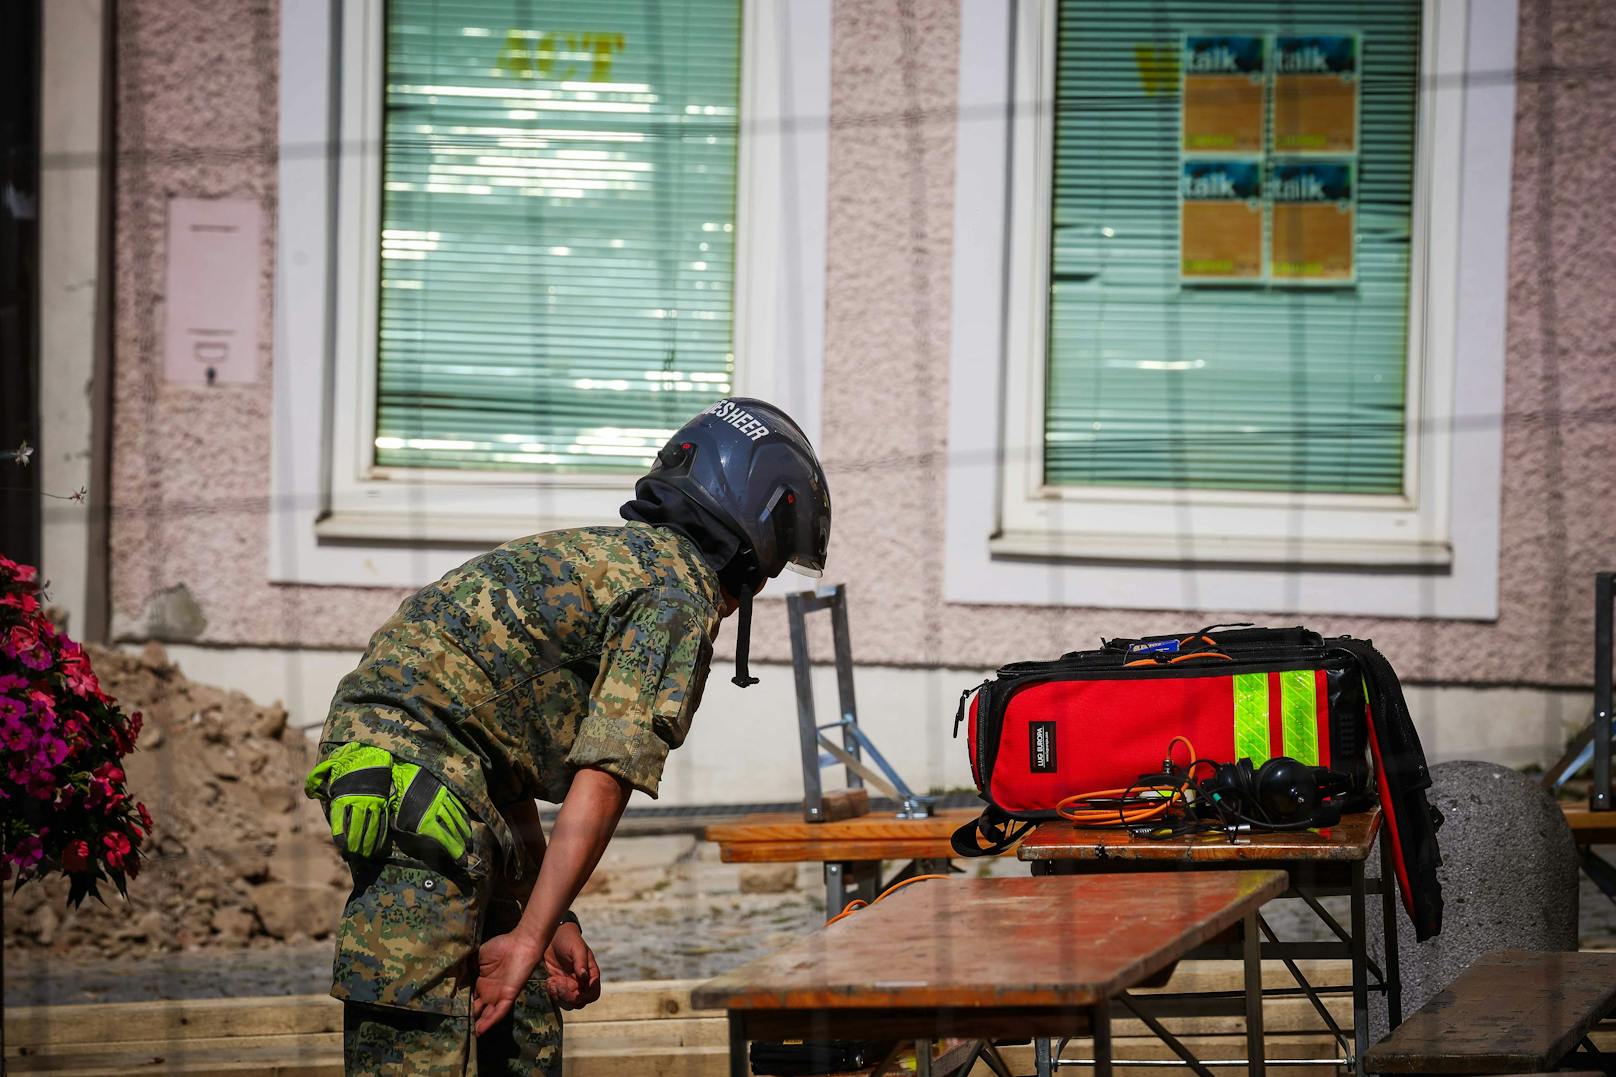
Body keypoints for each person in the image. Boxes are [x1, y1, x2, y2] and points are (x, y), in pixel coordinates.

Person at [303, 398, 831, 1075]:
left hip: (439, 765)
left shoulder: (620, 558)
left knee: (520, 1007)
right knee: (412, 1033)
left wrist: (546, 924)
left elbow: (502, 754)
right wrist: (528, 933)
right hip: (415, 771)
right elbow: (604, 779)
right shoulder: (675, 597)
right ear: (757, 543)